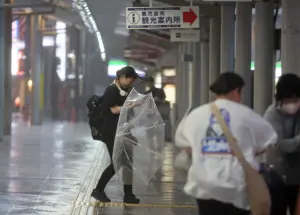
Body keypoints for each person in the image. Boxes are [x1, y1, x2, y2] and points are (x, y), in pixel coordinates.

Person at [175, 72, 278, 215]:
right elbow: (268, 141)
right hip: (237, 185)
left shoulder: (196, 115)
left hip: (205, 184)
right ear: (236, 90)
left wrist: (205, 150)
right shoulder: (247, 115)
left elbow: (184, 144)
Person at [91, 66, 140, 204]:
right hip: (112, 131)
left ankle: (129, 195)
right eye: (130, 80)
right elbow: (113, 110)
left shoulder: (126, 90)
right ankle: (98, 190)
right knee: (118, 162)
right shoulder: (112, 90)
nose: (132, 83)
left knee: (128, 162)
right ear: (122, 77)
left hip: (124, 130)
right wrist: (130, 106)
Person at [264, 73, 300, 215]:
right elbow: (278, 146)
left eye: (297, 99)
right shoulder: (271, 115)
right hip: (277, 176)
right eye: (290, 99)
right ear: (281, 99)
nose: (294, 103)